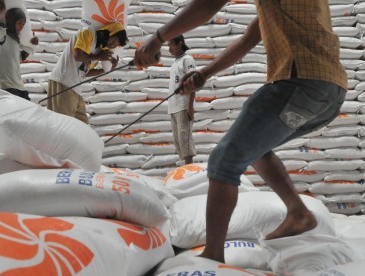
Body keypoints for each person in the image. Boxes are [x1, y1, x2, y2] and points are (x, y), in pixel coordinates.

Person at [134, 0, 347, 263]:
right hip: (331, 91)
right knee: (256, 149)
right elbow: (251, 36)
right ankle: (298, 213)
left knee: (223, 161)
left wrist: (157, 38)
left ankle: (213, 256)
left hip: (298, 80)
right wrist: (204, 74)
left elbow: (207, 5)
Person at [47, 22, 128, 124]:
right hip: (63, 81)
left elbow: (85, 72)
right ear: (110, 32)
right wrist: (98, 57)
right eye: (114, 39)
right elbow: (78, 55)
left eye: (116, 44)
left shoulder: (100, 50)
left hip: (75, 87)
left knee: (82, 125)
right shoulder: (88, 32)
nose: (113, 44)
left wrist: (106, 70)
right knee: (62, 126)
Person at [0, 0, 38, 100]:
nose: (21, 27)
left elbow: (19, 58)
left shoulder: (16, 42)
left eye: (23, 24)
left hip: (19, 86)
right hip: (6, 85)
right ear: (11, 20)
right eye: (19, 23)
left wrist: (32, 45)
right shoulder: (1, 38)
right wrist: (3, 11)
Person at [168, 35, 196, 165]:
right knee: (178, 141)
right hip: (173, 107)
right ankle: (185, 169)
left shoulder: (187, 59)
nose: (169, 49)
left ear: (180, 43)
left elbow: (193, 82)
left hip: (183, 105)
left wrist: (190, 106)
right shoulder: (175, 63)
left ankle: (189, 171)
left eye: (171, 45)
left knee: (185, 141)